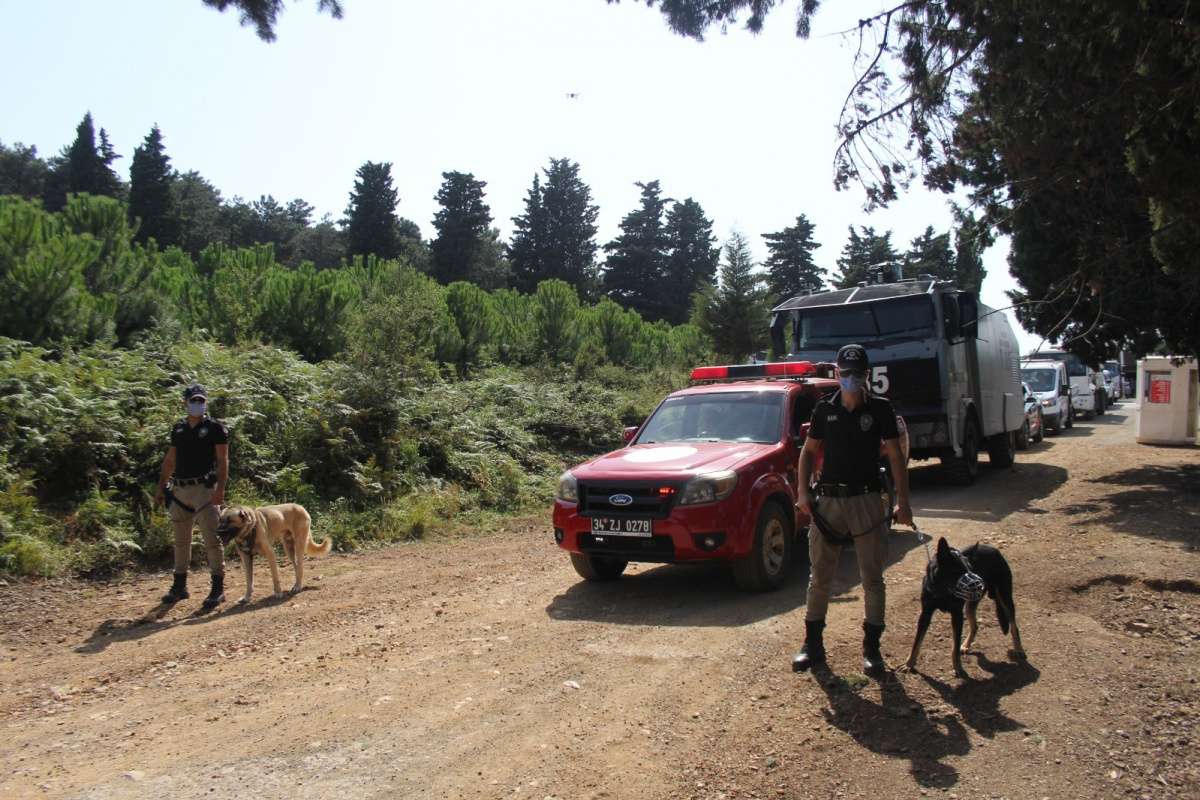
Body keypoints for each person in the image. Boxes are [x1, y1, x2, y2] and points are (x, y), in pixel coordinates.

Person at [792, 344, 912, 674]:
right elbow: (807, 452)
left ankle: (872, 649)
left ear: (867, 376)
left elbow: (896, 458)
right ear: (837, 373)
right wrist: (803, 492)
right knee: (820, 576)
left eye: (857, 375)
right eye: (845, 374)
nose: (850, 380)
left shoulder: (882, 410)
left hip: (867, 501)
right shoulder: (823, 411)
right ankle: (812, 645)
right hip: (828, 502)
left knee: (872, 577)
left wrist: (904, 502)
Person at [154, 384, 230, 609]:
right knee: (181, 540)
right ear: (185, 402)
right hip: (179, 489)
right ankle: (179, 586)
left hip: (204, 490)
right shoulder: (178, 429)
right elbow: (170, 460)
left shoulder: (215, 428)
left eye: (201, 400)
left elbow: (223, 460)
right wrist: (160, 487)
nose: (197, 404)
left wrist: (220, 489)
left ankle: (217, 588)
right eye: (193, 400)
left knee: (212, 540)